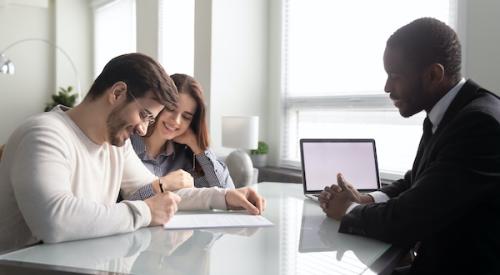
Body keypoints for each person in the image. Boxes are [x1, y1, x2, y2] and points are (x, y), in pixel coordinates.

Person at [0, 53, 265, 252]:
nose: (143, 128)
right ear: (117, 93)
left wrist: (226, 197)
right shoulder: (44, 134)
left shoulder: (115, 144)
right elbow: (55, 222)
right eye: (144, 114)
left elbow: (160, 192)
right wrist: (146, 212)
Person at [319, 17, 500, 275]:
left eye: (395, 76)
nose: (387, 88)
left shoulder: (479, 124)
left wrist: (349, 210)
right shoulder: (452, 112)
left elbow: (410, 218)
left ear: (433, 74)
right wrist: (366, 199)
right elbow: (416, 181)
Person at [128, 73, 234, 200]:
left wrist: (197, 145)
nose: (176, 121)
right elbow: (120, 205)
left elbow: (226, 194)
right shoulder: (126, 146)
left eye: (186, 117)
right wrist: (163, 185)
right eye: (171, 109)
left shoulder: (186, 157)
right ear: (158, 105)